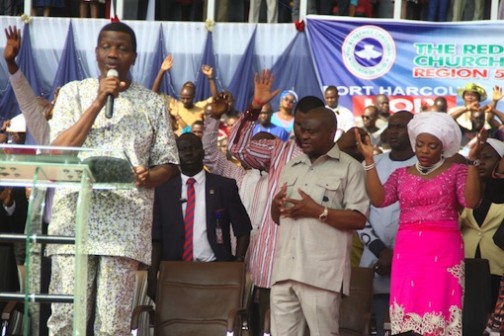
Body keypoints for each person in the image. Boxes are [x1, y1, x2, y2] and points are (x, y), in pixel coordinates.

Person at [47, 22, 179, 335]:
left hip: (123, 226)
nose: (113, 54)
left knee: (113, 325)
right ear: (96, 53)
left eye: (121, 48)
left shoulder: (151, 103)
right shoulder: (73, 93)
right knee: (66, 321)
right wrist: (97, 102)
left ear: (133, 56)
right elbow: (57, 153)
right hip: (72, 224)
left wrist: (148, 177)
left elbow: (169, 163)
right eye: (106, 47)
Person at [356, 111, 486, 335]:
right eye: (420, 144)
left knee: (440, 311)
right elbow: (379, 199)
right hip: (408, 252)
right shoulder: (401, 174)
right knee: (407, 312)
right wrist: (369, 160)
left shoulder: (457, 171)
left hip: (443, 251)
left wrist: (473, 160)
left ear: (443, 146)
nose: (425, 150)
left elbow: (471, 201)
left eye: (432, 146)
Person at [229, 69, 324, 336]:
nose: (305, 130)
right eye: (300, 123)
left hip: (312, 263)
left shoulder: (339, 161)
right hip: (273, 258)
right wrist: (254, 108)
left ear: (328, 126)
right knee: (266, 326)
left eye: (313, 124)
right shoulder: (278, 150)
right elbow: (238, 149)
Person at [270, 106, 369, 335]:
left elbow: (358, 219)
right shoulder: (291, 167)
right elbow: (279, 219)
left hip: (321, 275)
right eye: (302, 130)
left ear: (331, 133)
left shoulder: (350, 168)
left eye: (312, 132)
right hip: (285, 271)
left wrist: (318, 211)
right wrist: (276, 208)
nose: (304, 136)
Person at [357, 111, 416, 336]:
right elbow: (359, 214)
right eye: (391, 126)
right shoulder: (373, 164)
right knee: (374, 326)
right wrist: (381, 251)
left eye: (400, 126)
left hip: (410, 259)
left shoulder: (425, 167)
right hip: (374, 259)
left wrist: (396, 254)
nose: (393, 131)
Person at [152, 132, 251, 263]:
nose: (188, 153)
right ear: (176, 155)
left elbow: (243, 228)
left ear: (203, 152)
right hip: (174, 270)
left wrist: (238, 262)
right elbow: (156, 238)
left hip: (215, 269)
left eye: (193, 148)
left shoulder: (224, 186)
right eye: (182, 150)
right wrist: (153, 278)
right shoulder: (163, 191)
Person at [461, 139, 504, 310]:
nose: (480, 162)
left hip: (497, 266)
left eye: (487, 157)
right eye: (476, 158)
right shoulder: (462, 188)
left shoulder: (500, 192)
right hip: (466, 264)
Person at [152, 55, 218, 134]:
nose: (185, 101)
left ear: (193, 96)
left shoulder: (200, 107)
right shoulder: (175, 105)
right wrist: (162, 71)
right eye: (183, 98)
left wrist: (211, 78)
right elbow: (154, 94)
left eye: (188, 98)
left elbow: (216, 101)